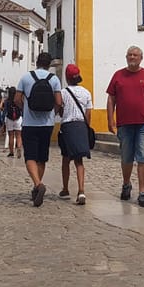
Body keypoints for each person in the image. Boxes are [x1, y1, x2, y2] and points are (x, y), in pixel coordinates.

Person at [106, 45, 144, 208]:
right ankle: (126, 184)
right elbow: (111, 99)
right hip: (124, 124)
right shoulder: (118, 75)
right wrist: (110, 119)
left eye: (135, 55)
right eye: (129, 55)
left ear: (141, 58)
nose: (132, 57)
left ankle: (142, 192)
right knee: (126, 157)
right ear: (126, 57)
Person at [15, 52, 62, 207]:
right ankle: (37, 186)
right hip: (47, 125)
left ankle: (38, 184)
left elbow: (17, 99)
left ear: (37, 62)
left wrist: (25, 109)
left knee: (30, 157)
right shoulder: (54, 79)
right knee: (42, 158)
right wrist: (52, 114)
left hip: (29, 124)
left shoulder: (26, 77)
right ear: (49, 64)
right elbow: (59, 102)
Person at [58, 63, 93, 205]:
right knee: (79, 161)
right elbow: (88, 114)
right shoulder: (86, 92)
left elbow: (60, 112)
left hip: (67, 127)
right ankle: (81, 191)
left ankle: (65, 188)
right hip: (81, 126)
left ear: (67, 78)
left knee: (65, 159)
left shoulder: (63, 93)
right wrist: (86, 127)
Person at [3, 86, 23, 158]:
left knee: (11, 136)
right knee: (18, 136)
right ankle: (19, 148)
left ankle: (11, 152)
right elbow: (21, 109)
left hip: (9, 119)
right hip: (18, 119)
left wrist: (3, 120)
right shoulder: (18, 100)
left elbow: (5, 111)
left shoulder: (7, 101)